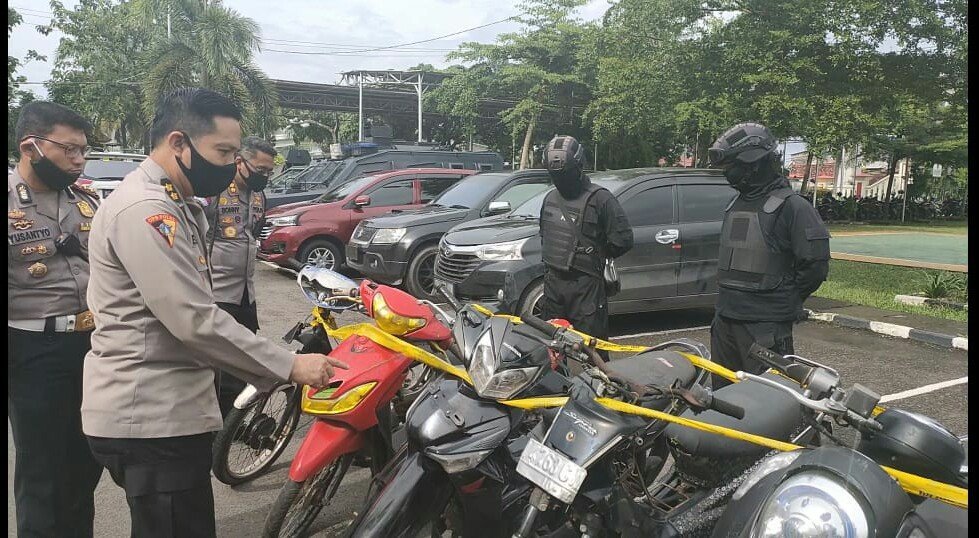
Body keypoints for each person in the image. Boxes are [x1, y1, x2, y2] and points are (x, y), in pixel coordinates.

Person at [80, 87, 347, 537]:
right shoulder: (148, 209)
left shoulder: (174, 202)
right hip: (152, 417)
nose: (229, 165)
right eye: (222, 152)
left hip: (165, 412)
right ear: (178, 143)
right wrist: (290, 365)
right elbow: (194, 319)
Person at [8, 101, 104, 537]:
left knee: (85, 464)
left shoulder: (86, 201)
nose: (79, 159)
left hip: (91, 347)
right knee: (42, 472)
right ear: (31, 146)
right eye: (69, 149)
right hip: (33, 352)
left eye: (83, 150)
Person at [707, 122, 830, 386]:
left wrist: (782, 300)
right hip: (725, 320)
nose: (727, 172)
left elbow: (815, 266)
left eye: (732, 166)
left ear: (754, 164)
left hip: (765, 327)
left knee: (768, 399)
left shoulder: (793, 207)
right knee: (722, 398)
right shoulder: (735, 203)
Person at [201, 136, 274, 418]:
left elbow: (251, 235)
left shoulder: (258, 196)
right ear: (239, 162)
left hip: (246, 295)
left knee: (244, 362)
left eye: (269, 171)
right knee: (219, 368)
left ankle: (235, 422)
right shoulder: (214, 193)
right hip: (218, 294)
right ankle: (218, 423)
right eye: (260, 169)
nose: (264, 176)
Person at [538, 134, 633, 340]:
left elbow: (623, 240)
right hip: (553, 286)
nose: (561, 179)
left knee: (591, 348)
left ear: (578, 167)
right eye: (556, 175)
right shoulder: (550, 198)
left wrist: (596, 255)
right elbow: (545, 235)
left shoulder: (601, 199)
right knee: (552, 348)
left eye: (565, 174)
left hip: (586, 287)